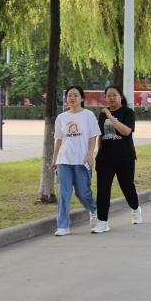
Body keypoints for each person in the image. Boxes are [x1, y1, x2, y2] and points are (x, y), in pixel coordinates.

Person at [51, 85, 100, 236]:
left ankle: (94, 211)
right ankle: (63, 226)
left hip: (81, 160)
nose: (72, 98)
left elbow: (93, 136)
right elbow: (59, 140)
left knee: (83, 192)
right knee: (64, 194)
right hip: (64, 160)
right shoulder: (61, 117)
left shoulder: (88, 115)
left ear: (82, 98)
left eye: (75, 95)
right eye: (69, 95)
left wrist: (90, 154)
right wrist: (54, 159)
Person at [93, 85, 140, 234]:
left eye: (114, 95)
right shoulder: (102, 115)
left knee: (127, 187)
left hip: (125, 157)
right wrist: (98, 154)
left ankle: (135, 208)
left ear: (120, 96)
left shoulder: (128, 112)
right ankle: (102, 222)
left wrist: (110, 116)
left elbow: (126, 132)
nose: (111, 98)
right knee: (103, 190)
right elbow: (100, 136)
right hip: (105, 159)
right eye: (109, 95)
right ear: (105, 98)